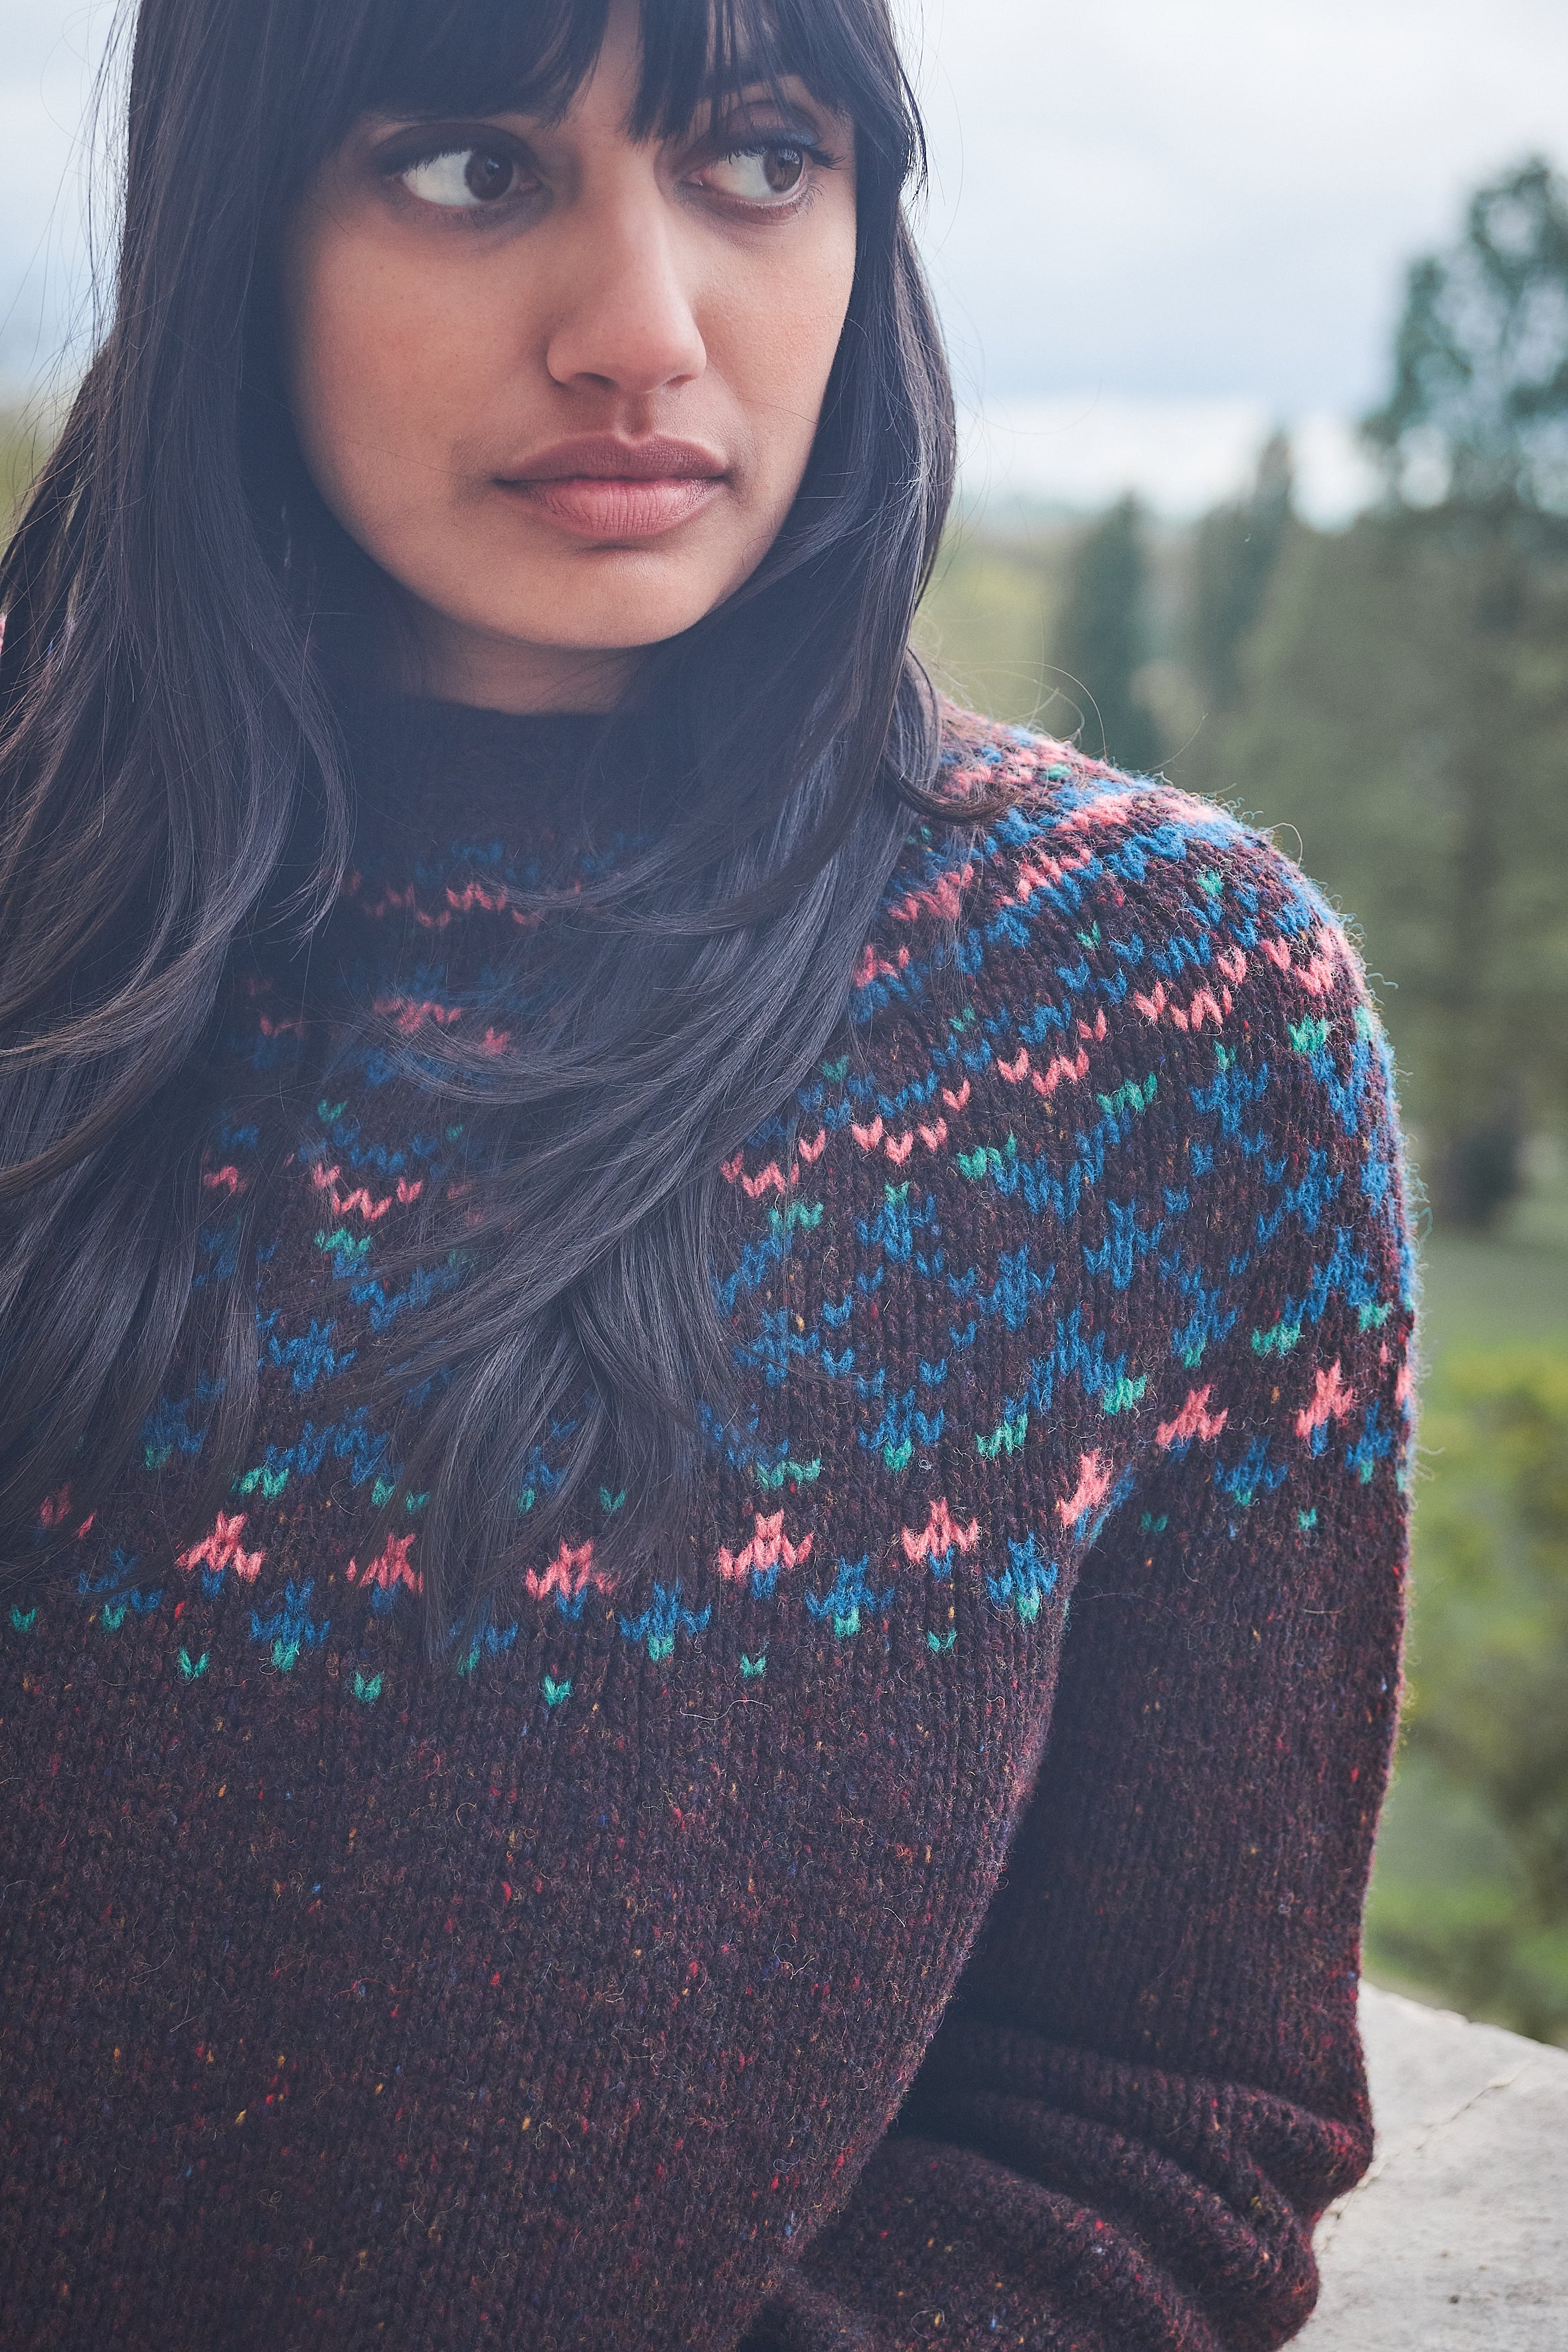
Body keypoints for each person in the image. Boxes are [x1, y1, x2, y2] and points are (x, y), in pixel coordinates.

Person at [0, 0, 1416, 2344]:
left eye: (758, 159)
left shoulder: (1151, 1014)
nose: (643, 330)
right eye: (471, 168)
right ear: (231, 223)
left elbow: (1162, 2115)